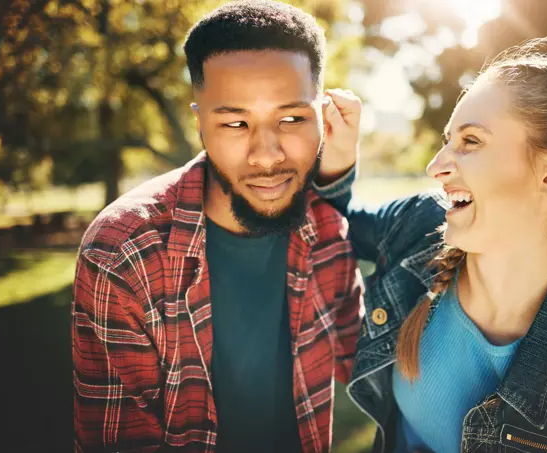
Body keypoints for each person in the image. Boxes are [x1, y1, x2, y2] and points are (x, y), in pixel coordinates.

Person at [315, 39, 547, 453]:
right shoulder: (419, 224)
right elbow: (328, 227)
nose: (435, 165)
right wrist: (338, 155)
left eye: (470, 141)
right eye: (447, 139)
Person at [71, 2, 364, 452]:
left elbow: (369, 360)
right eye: (234, 122)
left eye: (291, 119)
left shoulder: (325, 223)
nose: (267, 156)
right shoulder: (123, 253)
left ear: (322, 118)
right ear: (199, 123)